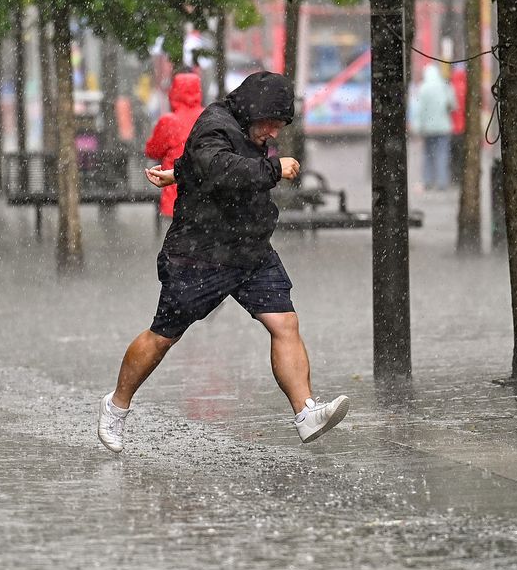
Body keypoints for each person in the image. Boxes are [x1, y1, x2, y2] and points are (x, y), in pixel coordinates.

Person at [97, 71, 350, 454]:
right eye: (272, 124)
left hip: (250, 250)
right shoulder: (214, 124)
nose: (274, 134)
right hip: (201, 253)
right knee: (162, 336)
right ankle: (116, 406)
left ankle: (306, 413)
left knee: (284, 322)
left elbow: (203, 162)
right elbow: (220, 167)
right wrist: (274, 168)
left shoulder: (242, 128)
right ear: (253, 111)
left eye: (280, 127)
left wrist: (177, 171)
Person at [144, 72, 204, 219]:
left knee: (175, 239)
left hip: (176, 196)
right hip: (204, 197)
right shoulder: (207, 117)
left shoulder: (169, 121)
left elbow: (152, 150)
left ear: (174, 92)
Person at [412, 63, 456, 191]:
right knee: (442, 155)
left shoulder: (423, 88)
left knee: (428, 155)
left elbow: (419, 110)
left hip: (428, 129)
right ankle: (442, 182)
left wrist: (417, 127)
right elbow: (452, 105)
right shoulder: (444, 86)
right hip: (443, 128)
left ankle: (428, 181)